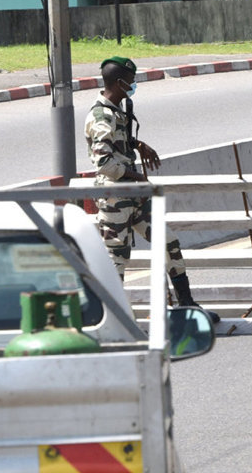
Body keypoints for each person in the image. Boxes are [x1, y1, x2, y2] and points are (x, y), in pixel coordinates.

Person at [84, 56, 217, 322]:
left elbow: (116, 143)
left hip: (134, 196)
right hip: (115, 198)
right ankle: (111, 318)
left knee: (169, 244)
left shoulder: (116, 111)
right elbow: (104, 162)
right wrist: (137, 177)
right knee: (116, 259)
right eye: (130, 82)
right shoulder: (100, 115)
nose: (133, 86)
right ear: (119, 83)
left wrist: (136, 143)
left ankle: (187, 304)